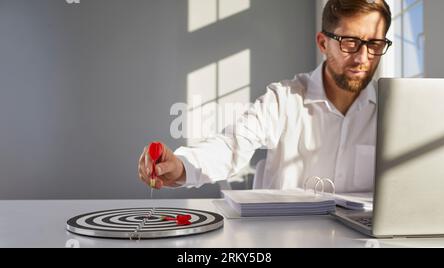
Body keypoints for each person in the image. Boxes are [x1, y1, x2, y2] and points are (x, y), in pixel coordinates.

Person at [138, 0, 393, 193]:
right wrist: (182, 166)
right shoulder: (283, 99)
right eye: (350, 42)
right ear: (323, 43)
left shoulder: (391, 112)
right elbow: (232, 145)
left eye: (375, 45)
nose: (363, 58)